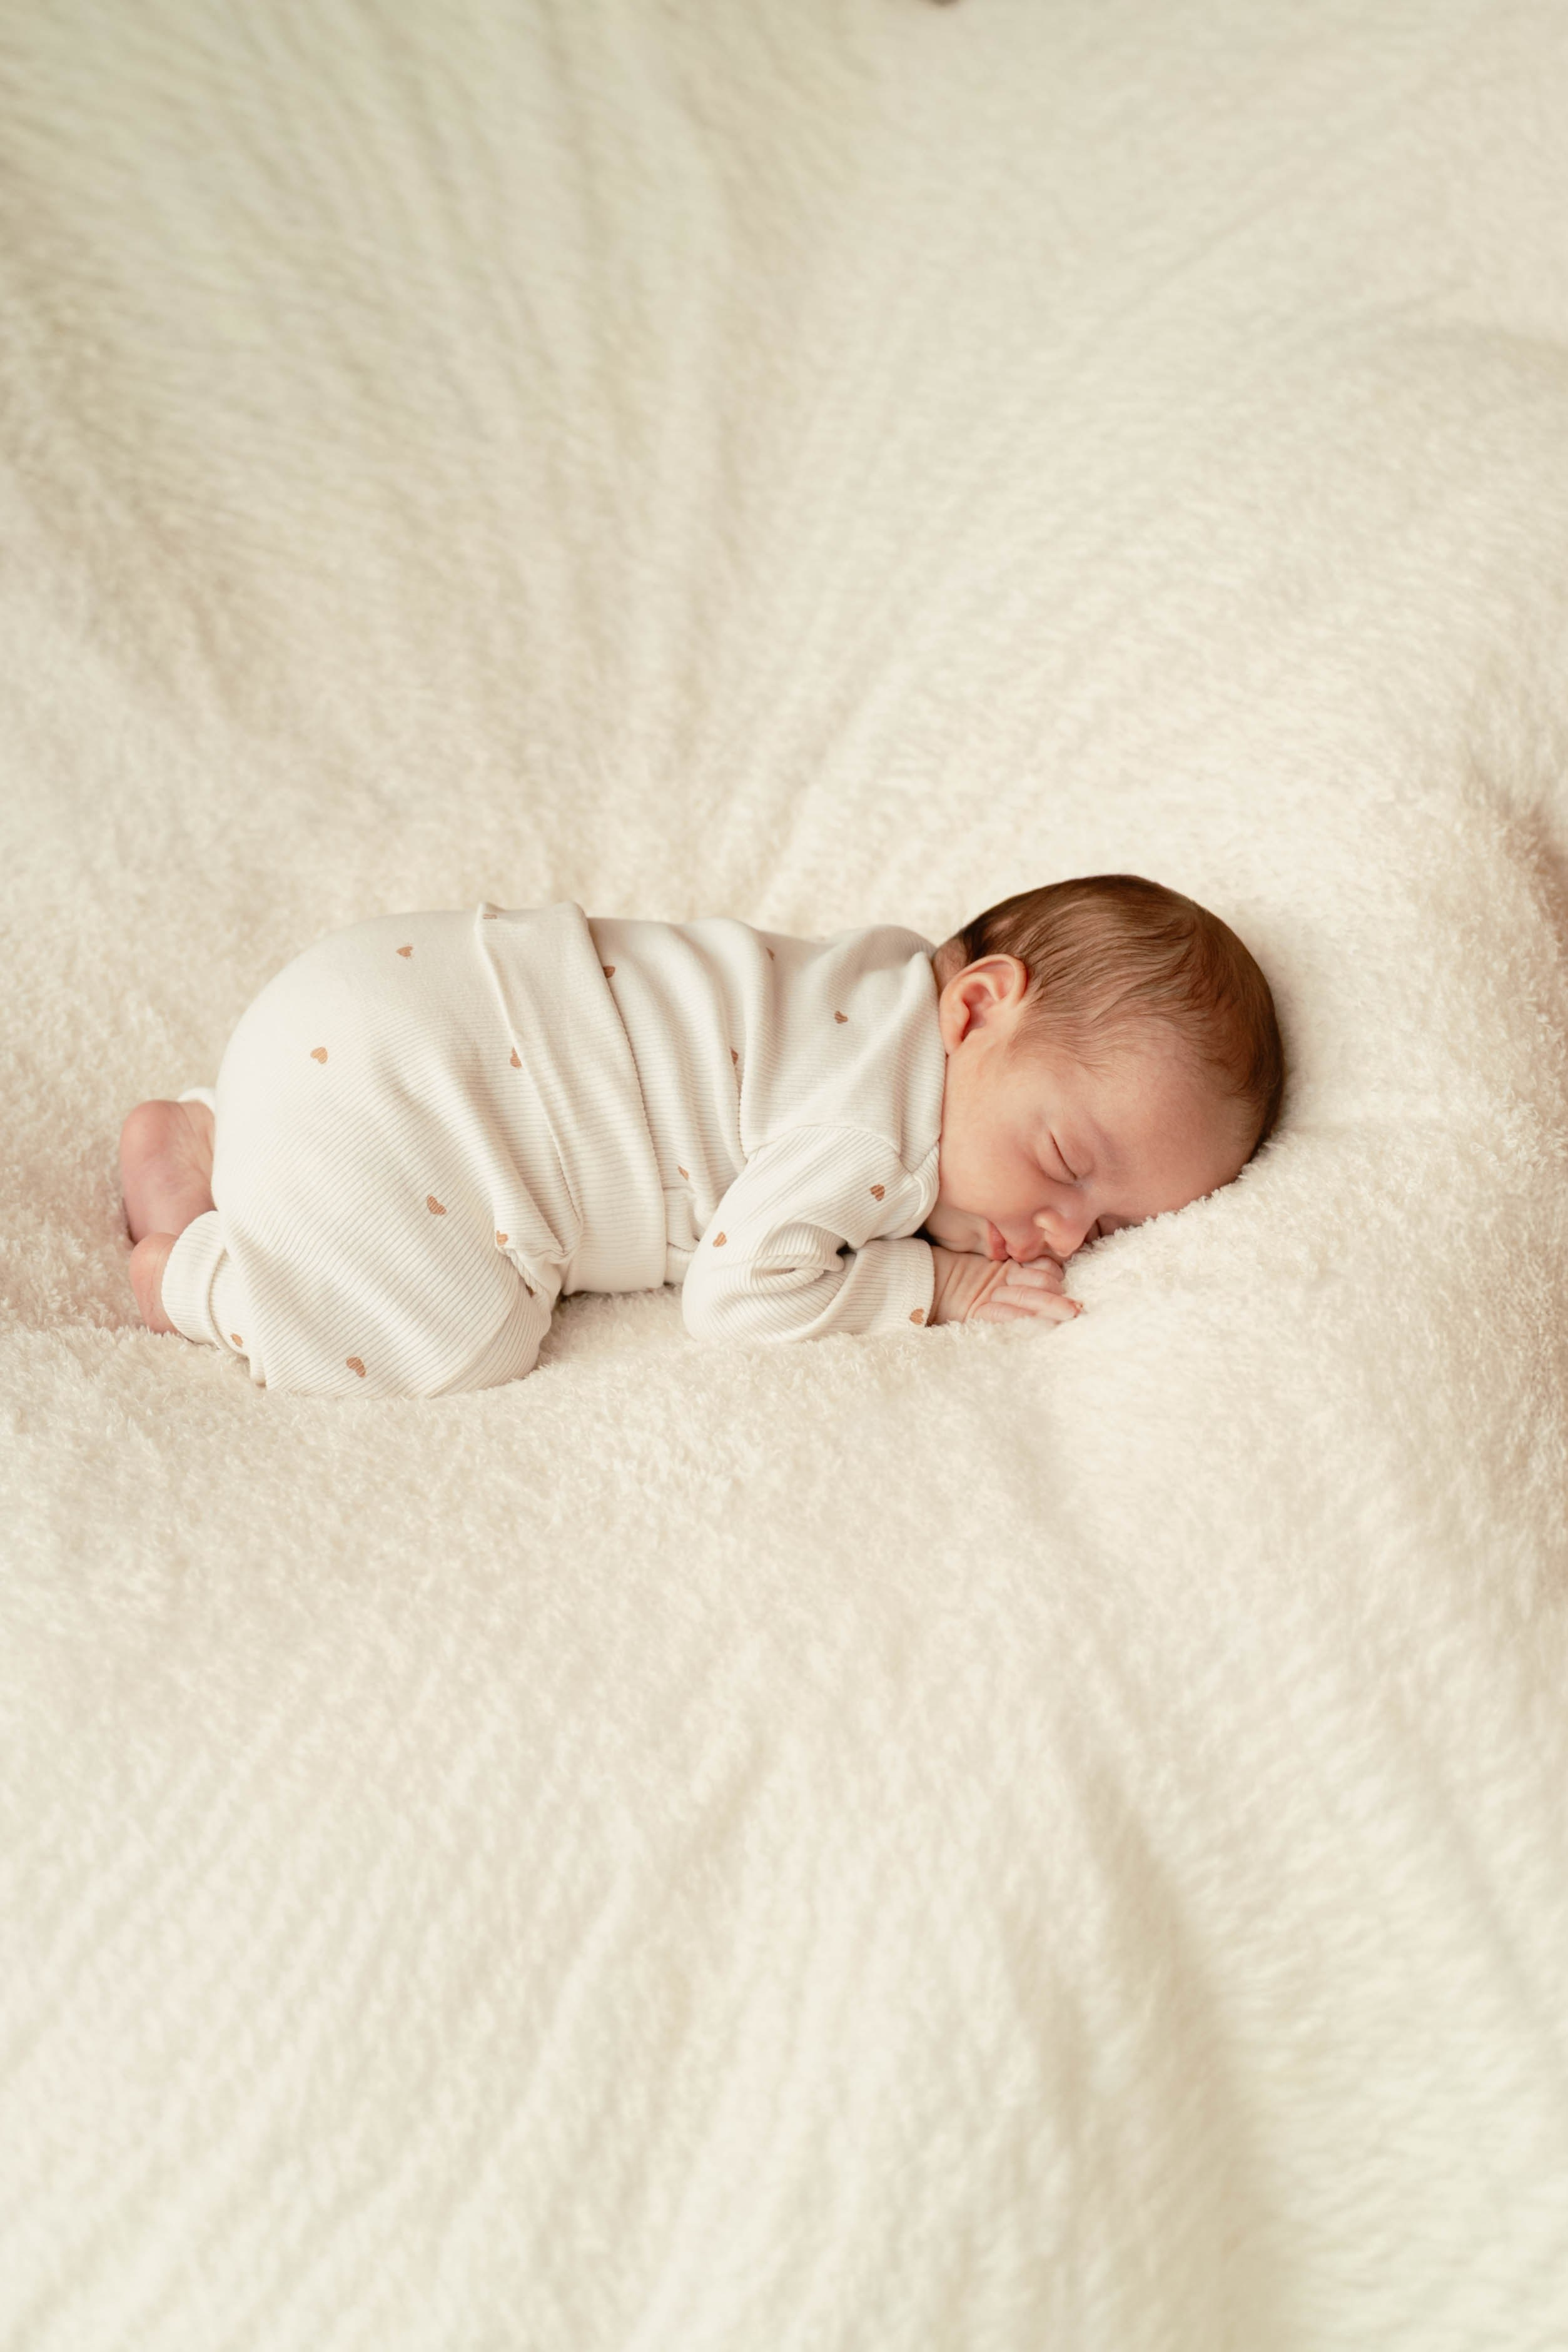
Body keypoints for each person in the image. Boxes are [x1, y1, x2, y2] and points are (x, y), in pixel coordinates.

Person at [118, 875, 1284, 1396]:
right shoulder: (880, 1132)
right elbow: (738, 1295)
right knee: (462, 1345)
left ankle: (217, 1136)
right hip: (428, 1093)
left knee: (351, 1170)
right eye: (1067, 1166)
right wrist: (940, 1286)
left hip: (370, 1003)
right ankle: (202, 1275)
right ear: (975, 1009)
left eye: (1110, 1226)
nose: (1064, 1232)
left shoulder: (872, 979)